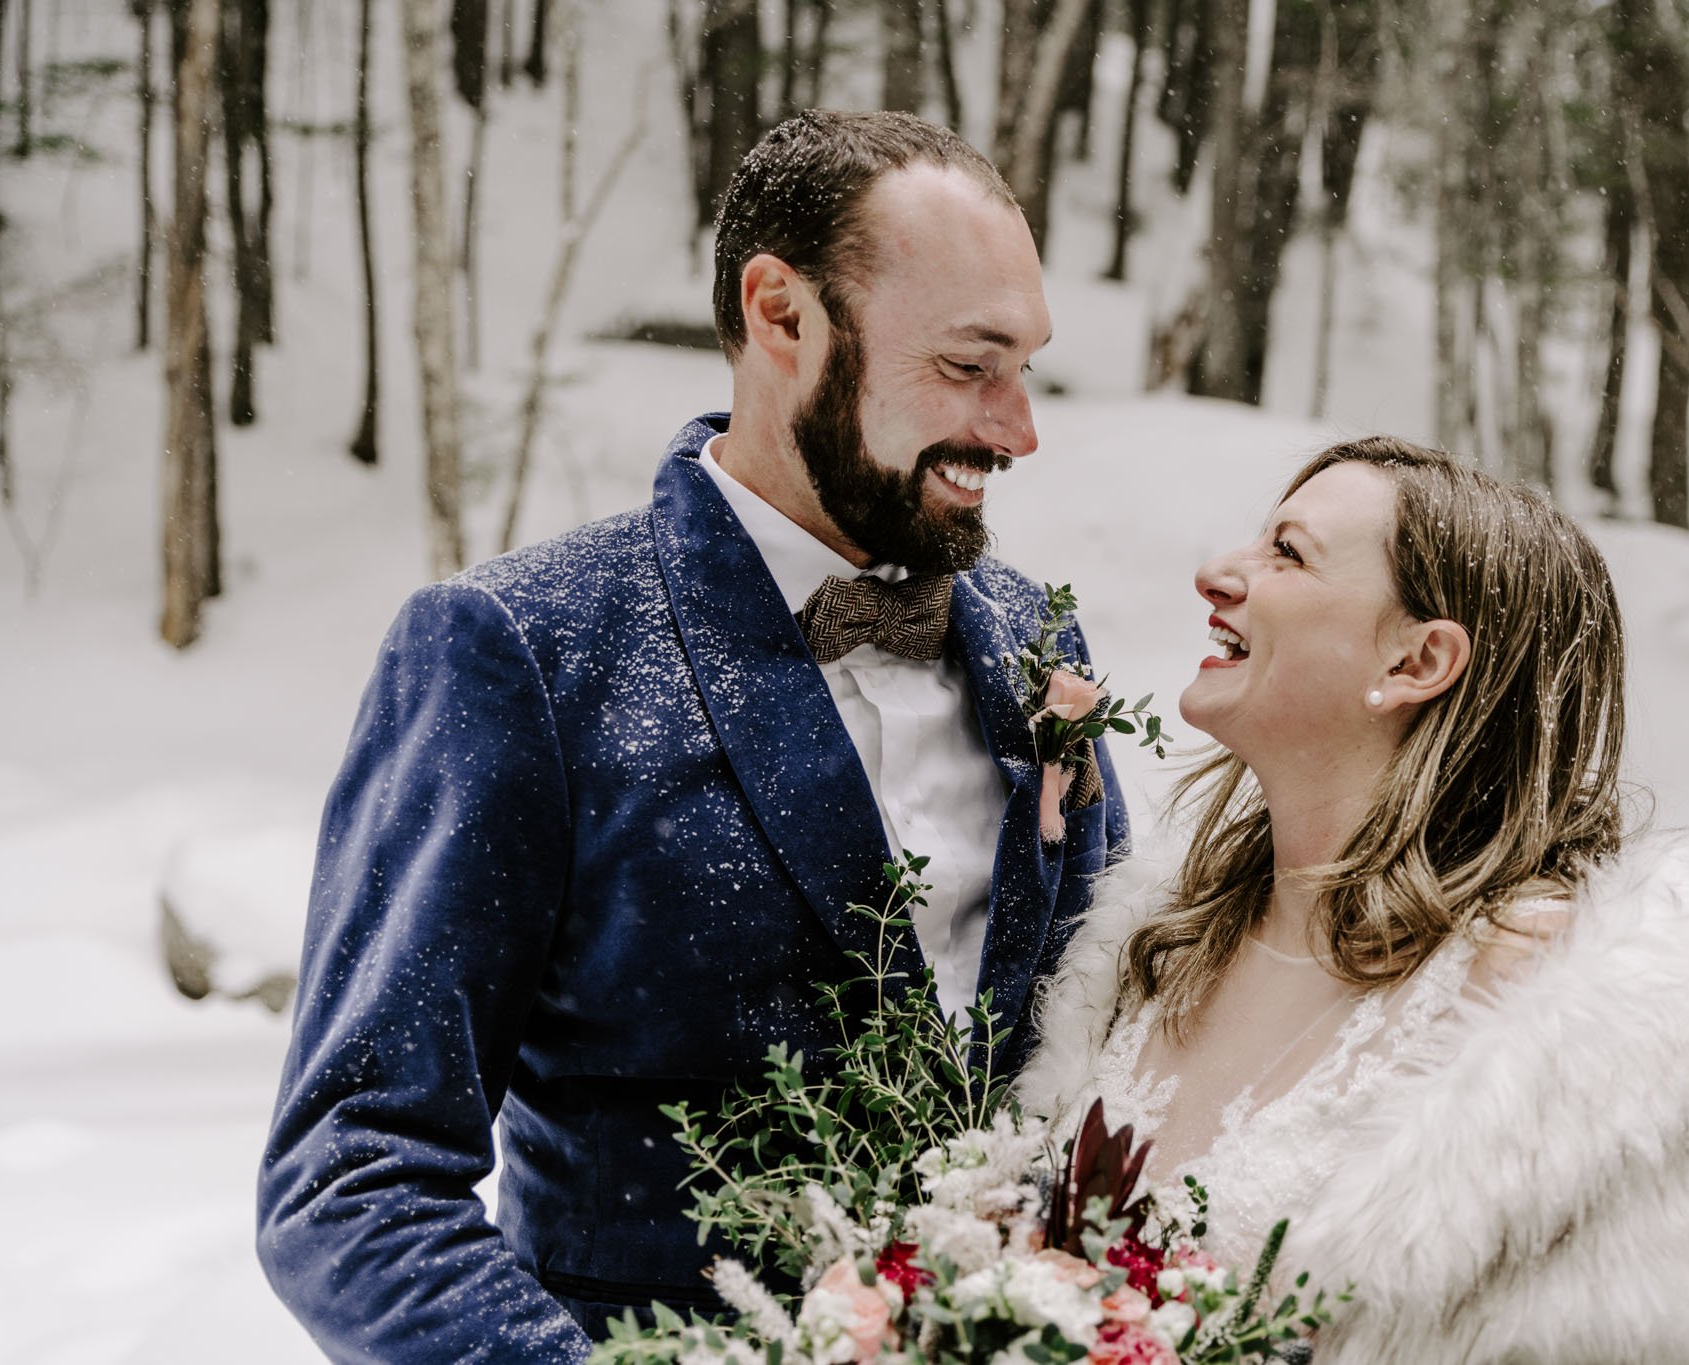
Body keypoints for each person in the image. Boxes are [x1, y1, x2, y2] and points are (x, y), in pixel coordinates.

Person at [258, 110, 1131, 1362]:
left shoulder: (1037, 645)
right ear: (780, 314)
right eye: (964, 365)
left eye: (1026, 369)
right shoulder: (517, 650)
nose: (1015, 429)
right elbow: (351, 1180)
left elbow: (1115, 1052)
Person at [1019, 437, 1689, 1362]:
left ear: (1419, 660)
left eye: (1287, 553)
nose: (1216, 574)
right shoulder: (1157, 942)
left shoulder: (1562, 1026)